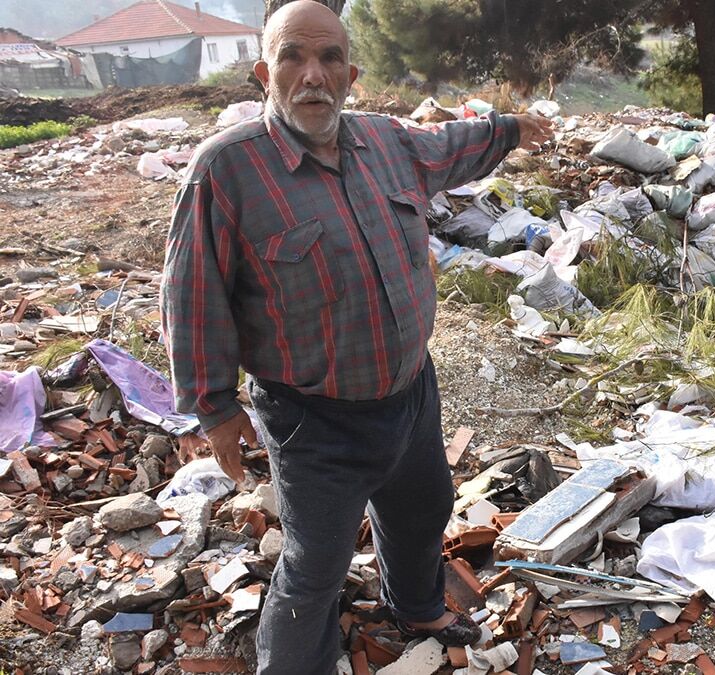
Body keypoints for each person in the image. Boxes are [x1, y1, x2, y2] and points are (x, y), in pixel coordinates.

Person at [160, 2, 553, 672]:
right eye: (292, 57)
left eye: (330, 58)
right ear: (265, 74)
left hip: (411, 392)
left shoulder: (386, 142)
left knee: (424, 507)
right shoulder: (226, 168)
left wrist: (511, 128)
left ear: (350, 75)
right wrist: (215, 408)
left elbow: (451, 146)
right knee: (316, 562)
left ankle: (416, 604)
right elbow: (193, 294)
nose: (312, 74)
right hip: (314, 418)